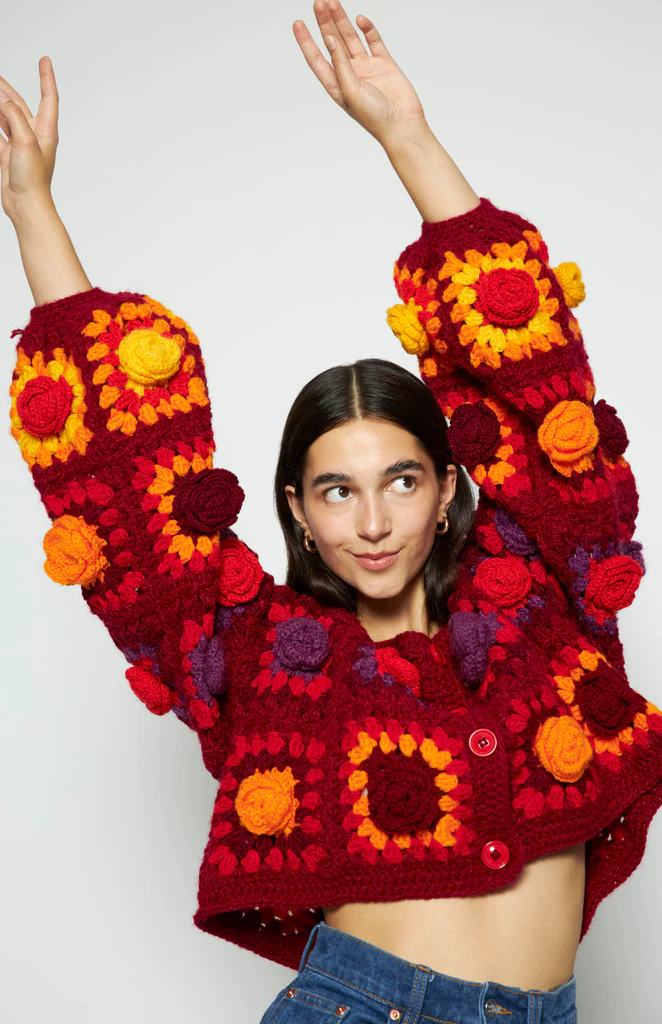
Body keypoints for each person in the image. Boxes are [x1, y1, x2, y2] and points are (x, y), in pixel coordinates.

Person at [3, 4, 661, 1022]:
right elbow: (121, 483)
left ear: (447, 488)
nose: (372, 520)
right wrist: (33, 211)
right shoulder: (269, 654)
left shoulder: (541, 600)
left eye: (401, 479)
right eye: (335, 491)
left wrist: (406, 134)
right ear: (299, 517)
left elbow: (539, 378)